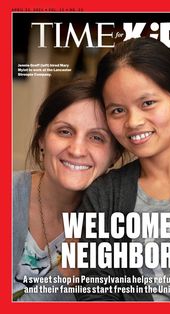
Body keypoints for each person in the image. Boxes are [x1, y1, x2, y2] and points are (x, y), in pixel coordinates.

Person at [76, 38, 170, 302]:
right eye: (118, 110)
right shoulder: (103, 196)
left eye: (147, 103)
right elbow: (95, 295)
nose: (133, 121)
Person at [13, 79, 122, 301]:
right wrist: (65, 273)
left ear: (115, 155)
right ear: (42, 138)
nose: (77, 149)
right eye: (64, 131)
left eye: (96, 137)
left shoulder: (115, 225)